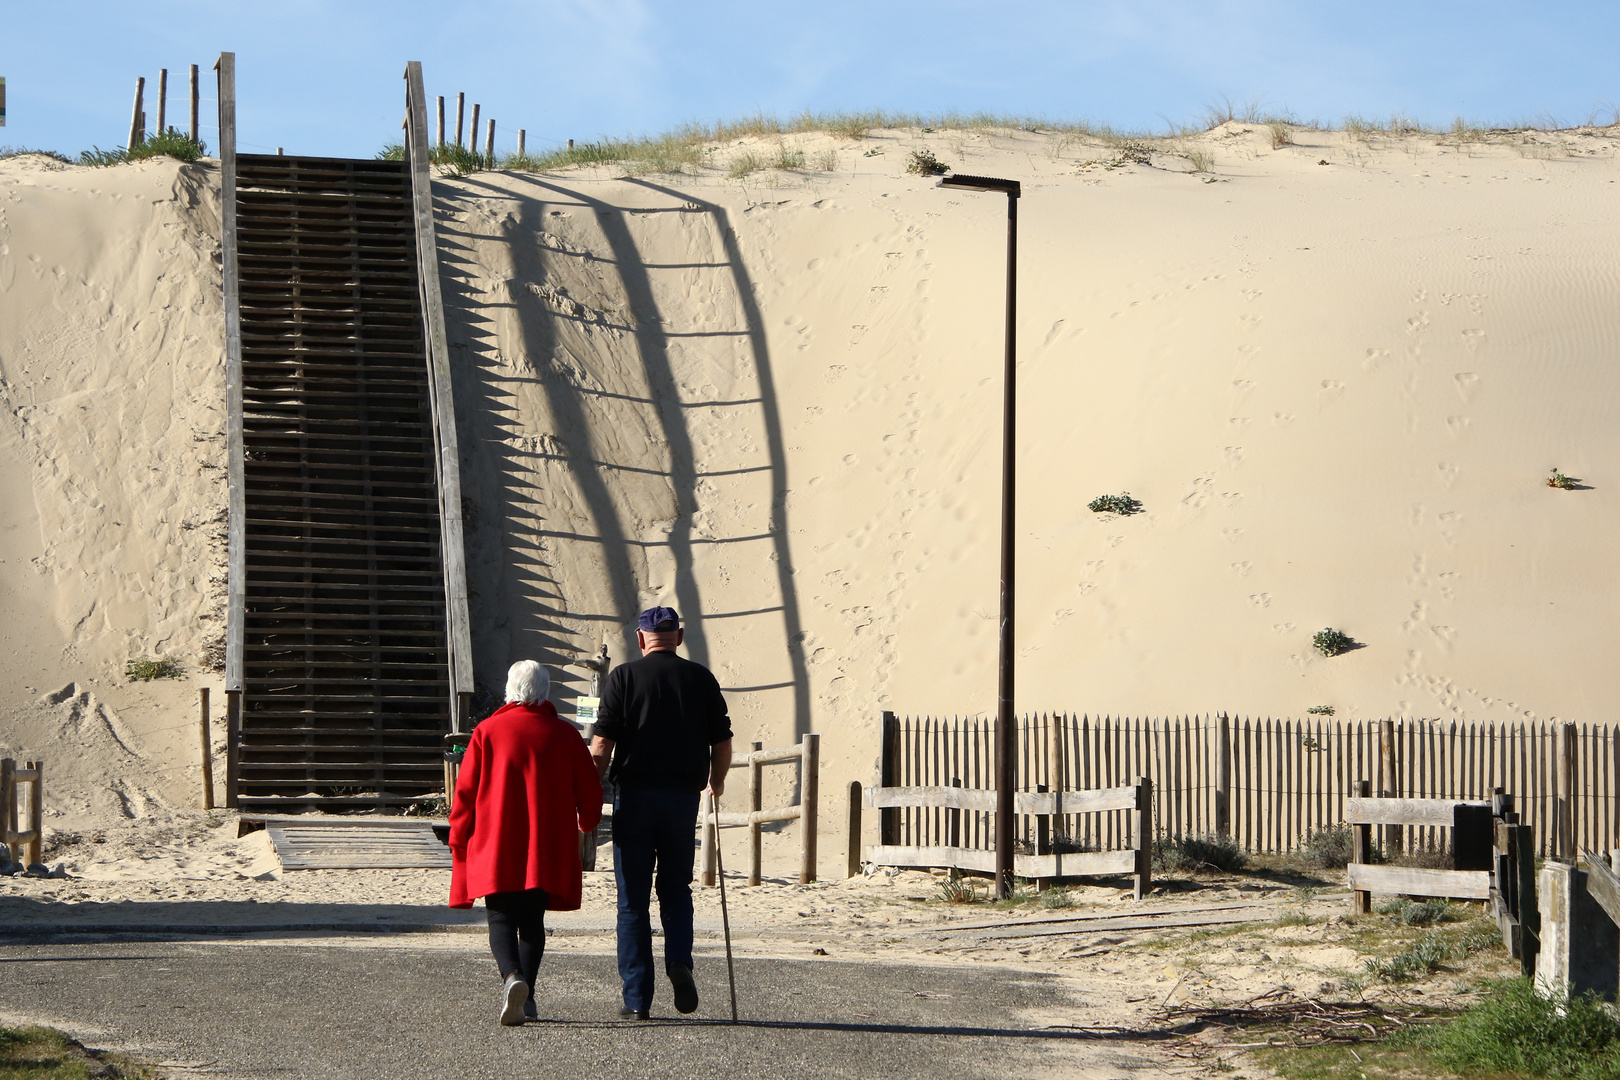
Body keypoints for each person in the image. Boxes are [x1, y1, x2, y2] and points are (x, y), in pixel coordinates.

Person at [590, 606, 732, 1020]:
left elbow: (601, 746)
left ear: (640, 639)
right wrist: (716, 781)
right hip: (681, 802)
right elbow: (722, 744)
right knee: (675, 889)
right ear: (679, 637)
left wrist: (586, 788)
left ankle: (637, 1000)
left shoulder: (624, 678)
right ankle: (680, 963)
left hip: (634, 799)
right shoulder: (700, 679)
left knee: (632, 900)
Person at [449, 660, 603, 1026]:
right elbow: (591, 791)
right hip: (546, 844)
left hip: (496, 840)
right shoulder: (565, 735)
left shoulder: (486, 732)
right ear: (545, 691)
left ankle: (511, 978)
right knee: (532, 920)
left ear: (509, 690)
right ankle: (527, 995)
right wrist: (587, 822)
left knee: (500, 917)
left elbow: (465, 794)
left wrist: (458, 835)